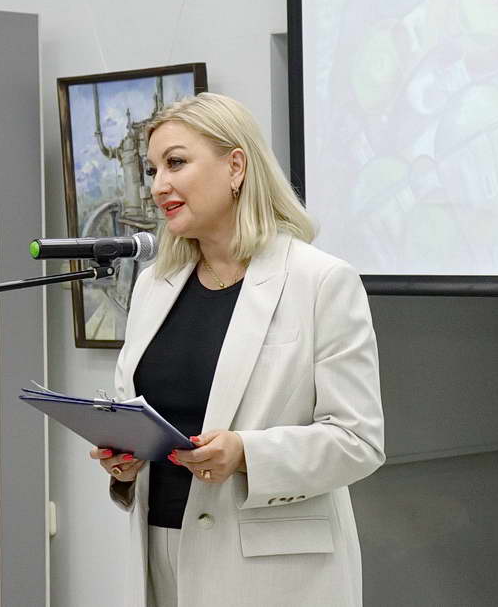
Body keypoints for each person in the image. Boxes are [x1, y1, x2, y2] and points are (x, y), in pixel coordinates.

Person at [88, 92, 384, 607]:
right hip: (162, 551)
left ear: (236, 167)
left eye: (176, 163)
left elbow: (358, 441)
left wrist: (247, 454)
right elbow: (136, 412)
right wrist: (125, 460)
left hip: (274, 573)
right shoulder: (154, 286)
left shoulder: (320, 281)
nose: (158, 186)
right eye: (153, 169)